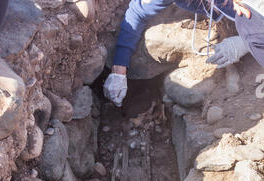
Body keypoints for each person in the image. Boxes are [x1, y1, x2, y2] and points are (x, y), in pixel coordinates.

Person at [104, 0, 264, 106]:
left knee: (247, 25)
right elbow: (137, 13)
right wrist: (119, 70)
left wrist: (247, 42)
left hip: (253, 16)